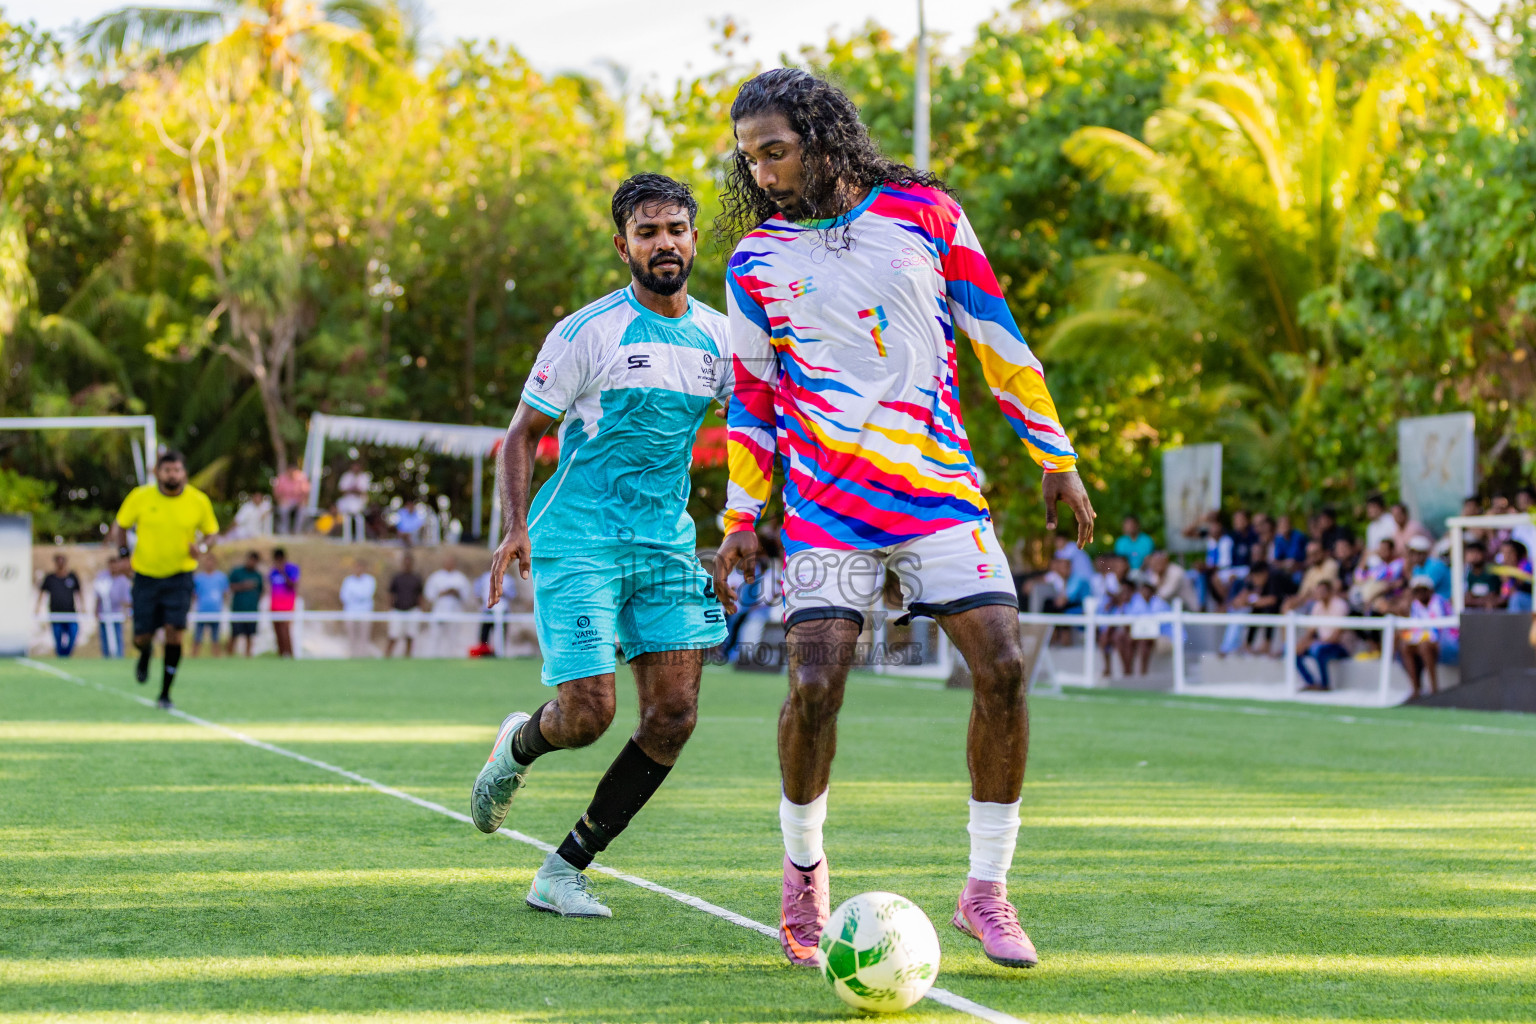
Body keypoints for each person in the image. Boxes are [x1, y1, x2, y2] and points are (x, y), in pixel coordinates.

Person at [711, 70, 1095, 970]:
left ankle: (986, 892)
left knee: (1002, 667)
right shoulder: (753, 263)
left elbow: (998, 337)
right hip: (823, 508)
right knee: (814, 689)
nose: (763, 174)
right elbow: (752, 399)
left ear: (821, 134)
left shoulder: (925, 211)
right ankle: (804, 872)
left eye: (777, 151)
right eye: (749, 159)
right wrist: (739, 512)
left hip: (938, 491)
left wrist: (1057, 456)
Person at [471, 172, 731, 920]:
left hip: (665, 548)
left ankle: (563, 869)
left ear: (691, 238)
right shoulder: (589, 331)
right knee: (587, 715)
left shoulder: (721, 337)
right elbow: (520, 435)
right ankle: (518, 747)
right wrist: (515, 526)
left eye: (676, 230)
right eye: (648, 234)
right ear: (624, 246)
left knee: (674, 715)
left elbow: (759, 428)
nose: (665, 244)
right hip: (579, 540)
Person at [106, 451, 220, 709]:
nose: (172, 475)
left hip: (180, 576)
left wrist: (202, 548)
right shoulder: (140, 497)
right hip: (145, 576)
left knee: (174, 632)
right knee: (142, 636)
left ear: (184, 473)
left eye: (177, 470)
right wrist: (123, 554)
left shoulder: (198, 501)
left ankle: (165, 693)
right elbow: (120, 526)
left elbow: (212, 533)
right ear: (157, 472)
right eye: (167, 470)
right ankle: (145, 653)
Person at [1401, 575, 1457, 699]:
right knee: (1406, 646)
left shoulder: (1439, 601)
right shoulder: (1416, 605)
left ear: (1430, 590)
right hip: (1429, 641)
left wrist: (1420, 637)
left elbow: (1439, 631)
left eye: (1423, 590)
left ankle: (1434, 689)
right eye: (1416, 591)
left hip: (1449, 642)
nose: (1420, 594)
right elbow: (1416, 629)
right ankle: (1416, 689)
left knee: (1424, 647)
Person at [1296, 578, 1350, 691]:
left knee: (1318, 650)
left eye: (1322, 591)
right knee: (1293, 650)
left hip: (1340, 647)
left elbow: (1336, 637)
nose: (1319, 594)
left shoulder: (1340, 605)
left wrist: (1312, 643)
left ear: (1330, 592)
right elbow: (1311, 631)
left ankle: (1325, 684)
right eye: (1318, 592)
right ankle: (1311, 683)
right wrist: (1303, 644)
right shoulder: (1317, 606)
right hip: (1322, 644)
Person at [424, 554, 472, 656]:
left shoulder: (460, 578)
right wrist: (443, 593)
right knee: (436, 636)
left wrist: (456, 592)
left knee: (453, 637)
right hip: (439, 611)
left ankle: (452, 656)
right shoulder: (436, 577)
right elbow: (429, 595)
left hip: (455, 611)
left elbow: (466, 595)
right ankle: (433, 656)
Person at [37, 553, 82, 658]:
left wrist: (82, 606)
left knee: (73, 634)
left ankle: (67, 654)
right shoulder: (50, 578)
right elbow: (42, 592)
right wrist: (38, 607)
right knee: (57, 637)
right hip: (55, 614)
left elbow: (79, 592)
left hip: (70, 613)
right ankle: (60, 656)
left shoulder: (72, 577)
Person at [472, 565, 516, 657]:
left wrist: (502, 593)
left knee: (501, 632)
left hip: (503, 609)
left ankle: (500, 653)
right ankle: (484, 652)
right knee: (485, 632)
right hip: (488, 609)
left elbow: (513, 595)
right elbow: (477, 590)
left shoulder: (508, 579)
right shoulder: (485, 577)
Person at [93, 556, 132, 658]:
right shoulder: (102, 576)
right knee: (105, 638)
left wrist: (126, 612)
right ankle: (106, 657)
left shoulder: (123, 580)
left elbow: (126, 600)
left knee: (118, 637)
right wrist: (96, 610)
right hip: (104, 613)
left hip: (117, 613)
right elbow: (98, 596)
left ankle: (119, 656)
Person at [190, 554, 229, 656]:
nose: (209, 563)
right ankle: (194, 657)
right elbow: (194, 595)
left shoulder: (221, 577)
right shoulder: (198, 578)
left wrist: (225, 607)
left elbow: (225, 594)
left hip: (216, 612)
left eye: (211, 561)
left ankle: (216, 658)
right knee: (197, 637)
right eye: (207, 561)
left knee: (216, 638)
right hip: (201, 612)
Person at [386, 553, 424, 657]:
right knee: (393, 635)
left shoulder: (416, 578)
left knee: (410, 636)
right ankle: (387, 656)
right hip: (398, 610)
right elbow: (391, 594)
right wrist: (390, 608)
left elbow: (420, 595)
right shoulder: (397, 577)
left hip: (412, 610)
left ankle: (407, 657)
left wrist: (421, 609)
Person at [226, 551, 263, 657]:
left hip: (252, 610)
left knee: (250, 635)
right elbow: (230, 587)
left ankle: (248, 657)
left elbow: (261, 591)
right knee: (234, 634)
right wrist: (244, 586)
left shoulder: (258, 575)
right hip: (238, 609)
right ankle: (229, 657)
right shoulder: (237, 572)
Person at [339, 559, 377, 657]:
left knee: (364, 636)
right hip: (350, 612)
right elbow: (344, 596)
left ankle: (363, 656)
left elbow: (367, 594)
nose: (358, 569)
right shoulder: (348, 580)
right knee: (351, 636)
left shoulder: (370, 580)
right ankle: (352, 655)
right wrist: (358, 596)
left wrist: (355, 595)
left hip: (365, 612)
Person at [268, 548, 299, 657]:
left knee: (286, 631)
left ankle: (289, 654)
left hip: (287, 606)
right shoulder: (273, 571)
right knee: (277, 632)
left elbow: (293, 585)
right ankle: (281, 654)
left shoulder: (292, 569)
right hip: (275, 606)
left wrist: (283, 572)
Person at [1403, 535, 1451, 601]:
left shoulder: (1435, 566)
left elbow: (1423, 591)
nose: (1412, 556)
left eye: (1415, 553)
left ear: (1424, 553)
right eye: (1411, 553)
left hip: (1445, 603)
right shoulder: (1417, 568)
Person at [337, 461, 371, 542]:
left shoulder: (364, 477)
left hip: (358, 501)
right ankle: (346, 538)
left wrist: (356, 490)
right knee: (346, 518)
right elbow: (342, 489)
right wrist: (351, 489)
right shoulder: (346, 476)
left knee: (359, 518)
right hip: (348, 501)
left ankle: (360, 539)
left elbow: (364, 491)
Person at [1497, 538, 1533, 613]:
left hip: (1530, 603)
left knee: (1516, 599)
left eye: (1510, 553)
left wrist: (1508, 581)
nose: (1506, 557)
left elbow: (1515, 593)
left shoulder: (1528, 567)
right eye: (1503, 553)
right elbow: (1505, 595)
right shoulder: (1503, 569)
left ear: (1518, 553)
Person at [1463, 542, 1502, 611]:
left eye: (1476, 553)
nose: (1473, 556)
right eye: (1470, 553)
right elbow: (1468, 595)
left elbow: (1492, 596)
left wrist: (1474, 601)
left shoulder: (1491, 572)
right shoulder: (1468, 573)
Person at [272, 467, 309, 535]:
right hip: (285, 502)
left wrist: (301, 502)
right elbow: (276, 494)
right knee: (283, 509)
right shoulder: (281, 479)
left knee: (303, 510)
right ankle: (284, 531)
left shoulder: (302, 478)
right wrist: (281, 500)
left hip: (298, 502)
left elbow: (306, 494)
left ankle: (297, 531)